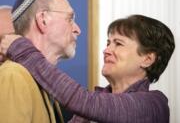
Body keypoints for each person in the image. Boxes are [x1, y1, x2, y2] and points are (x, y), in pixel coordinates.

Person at [1, 14, 175, 123]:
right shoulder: (90, 108)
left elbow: (82, 101)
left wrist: (21, 49)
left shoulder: (153, 105)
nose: (107, 50)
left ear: (147, 59)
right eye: (108, 43)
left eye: (118, 44)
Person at [0, 0, 80, 122]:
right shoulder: (13, 75)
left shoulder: (40, 82)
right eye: (70, 18)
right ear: (43, 20)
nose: (77, 30)